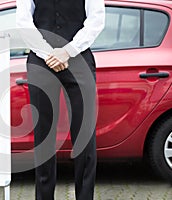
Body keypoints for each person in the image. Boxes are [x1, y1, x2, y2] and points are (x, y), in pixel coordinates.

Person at [16, 0, 105, 200]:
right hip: (41, 60)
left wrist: (68, 51)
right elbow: (23, 21)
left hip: (79, 59)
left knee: (84, 136)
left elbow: (96, 20)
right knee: (43, 137)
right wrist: (48, 53)